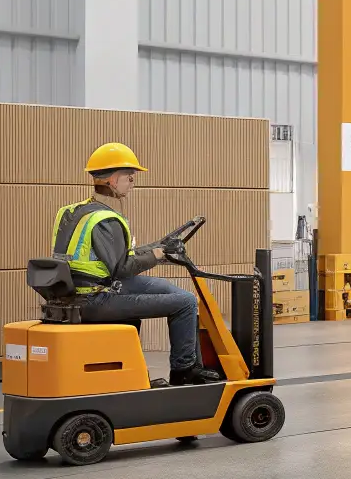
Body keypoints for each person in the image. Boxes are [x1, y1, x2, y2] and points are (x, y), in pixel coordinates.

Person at [52, 143, 224, 386]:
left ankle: (191, 364)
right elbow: (121, 268)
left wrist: (160, 248)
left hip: (79, 291)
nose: (133, 182)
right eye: (129, 177)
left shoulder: (73, 211)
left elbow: (118, 256)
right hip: (97, 297)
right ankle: (184, 369)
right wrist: (154, 256)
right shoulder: (106, 220)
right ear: (112, 180)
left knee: (172, 291)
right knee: (185, 302)